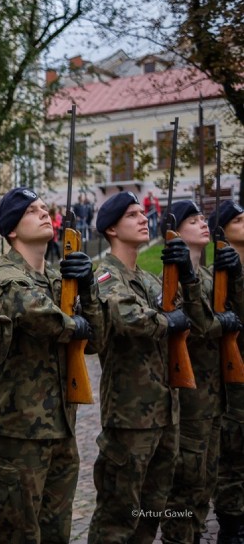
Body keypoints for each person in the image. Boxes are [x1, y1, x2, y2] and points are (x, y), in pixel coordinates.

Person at [0, 187, 103, 543]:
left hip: (62, 428)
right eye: (33, 210)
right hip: (17, 434)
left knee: (56, 533)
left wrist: (88, 289)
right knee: (16, 535)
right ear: (12, 228)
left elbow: (97, 340)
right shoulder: (2, 276)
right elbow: (36, 315)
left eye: (45, 208)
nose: (45, 213)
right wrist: (75, 324)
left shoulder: (61, 281)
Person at [88, 192, 201, 543]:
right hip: (130, 416)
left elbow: (192, 320)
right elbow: (129, 318)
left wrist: (187, 275)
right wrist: (169, 321)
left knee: (151, 510)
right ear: (111, 229)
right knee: (118, 516)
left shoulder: (151, 279)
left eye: (142, 213)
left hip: (166, 412)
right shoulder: (106, 276)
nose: (143, 219)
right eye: (132, 215)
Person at [159, 201, 242, 543]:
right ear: (175, 233)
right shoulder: (166, 281)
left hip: (214, 396)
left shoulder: (210, 276)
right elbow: (202, 326)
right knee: (186, 482)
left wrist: (235, 277)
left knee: (206, 479)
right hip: (187, 398)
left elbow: (235, 316)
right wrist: (189, 280)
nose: (204, 224)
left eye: (203, 218)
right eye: (193, 221)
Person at [209, 200, 244, 543]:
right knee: (232, 453)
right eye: (236, 219)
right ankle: (232, 525)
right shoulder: (216, 276)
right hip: (232, 379)